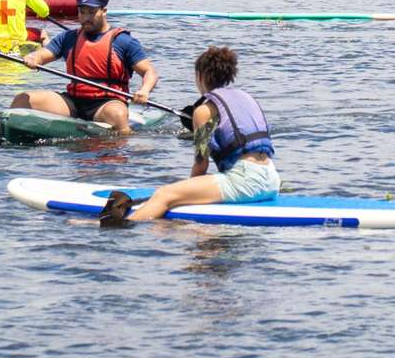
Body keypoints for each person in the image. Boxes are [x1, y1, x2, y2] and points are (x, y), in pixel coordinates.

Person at [98, 46, 279, 225]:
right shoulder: (246, 97)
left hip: (246, 181)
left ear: (200, 76)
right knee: (172, 215)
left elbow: (201, 164)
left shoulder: (203, 111)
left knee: (165, 194)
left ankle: (121, 226)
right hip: (271, 179)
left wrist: (185, 193)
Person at [10, 0, 159, 134]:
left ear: (104, 11)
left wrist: (144, 90)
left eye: (92, 12)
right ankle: (1, 132)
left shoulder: (123, 41)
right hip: (73, 101)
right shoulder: (69, 38)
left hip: (106, 103)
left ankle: (127, 143)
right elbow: (42, 55)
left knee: (117, 115)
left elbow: (149, 72)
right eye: (82, 12)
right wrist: (32, 57)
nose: (86, 18)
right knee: (23, 99)